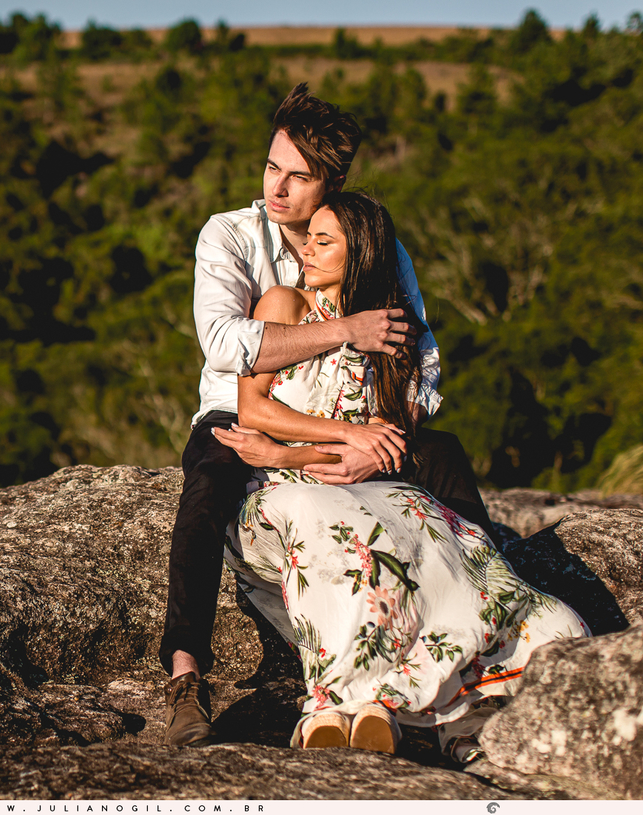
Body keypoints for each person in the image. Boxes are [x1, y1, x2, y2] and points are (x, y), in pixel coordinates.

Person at [161, 84, 495, 747]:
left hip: (364, 411)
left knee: (444, 456)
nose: (277, 188)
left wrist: (386, 435)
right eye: (271, 167)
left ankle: (490, 605)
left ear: (333, 181)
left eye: (299, 176)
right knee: (206, 488)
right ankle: (186, 676)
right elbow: (226, 345)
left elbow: (423, 359)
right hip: (244, 407)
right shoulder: (229, 235)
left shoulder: (369, 239)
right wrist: (346, 330)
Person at [215, 190, 588, 757]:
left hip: (348, 480)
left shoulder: (391, 331)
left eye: (324, 241)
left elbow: (378, 448)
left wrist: (293, 453)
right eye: (307, 238)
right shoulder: (283, 305)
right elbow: (255, 411)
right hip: (282, 494)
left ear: (360, 255)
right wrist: (339, 437)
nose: (306, 251)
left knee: (435, 537)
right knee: (325, 524)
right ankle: (339, 701)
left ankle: (398, 706)